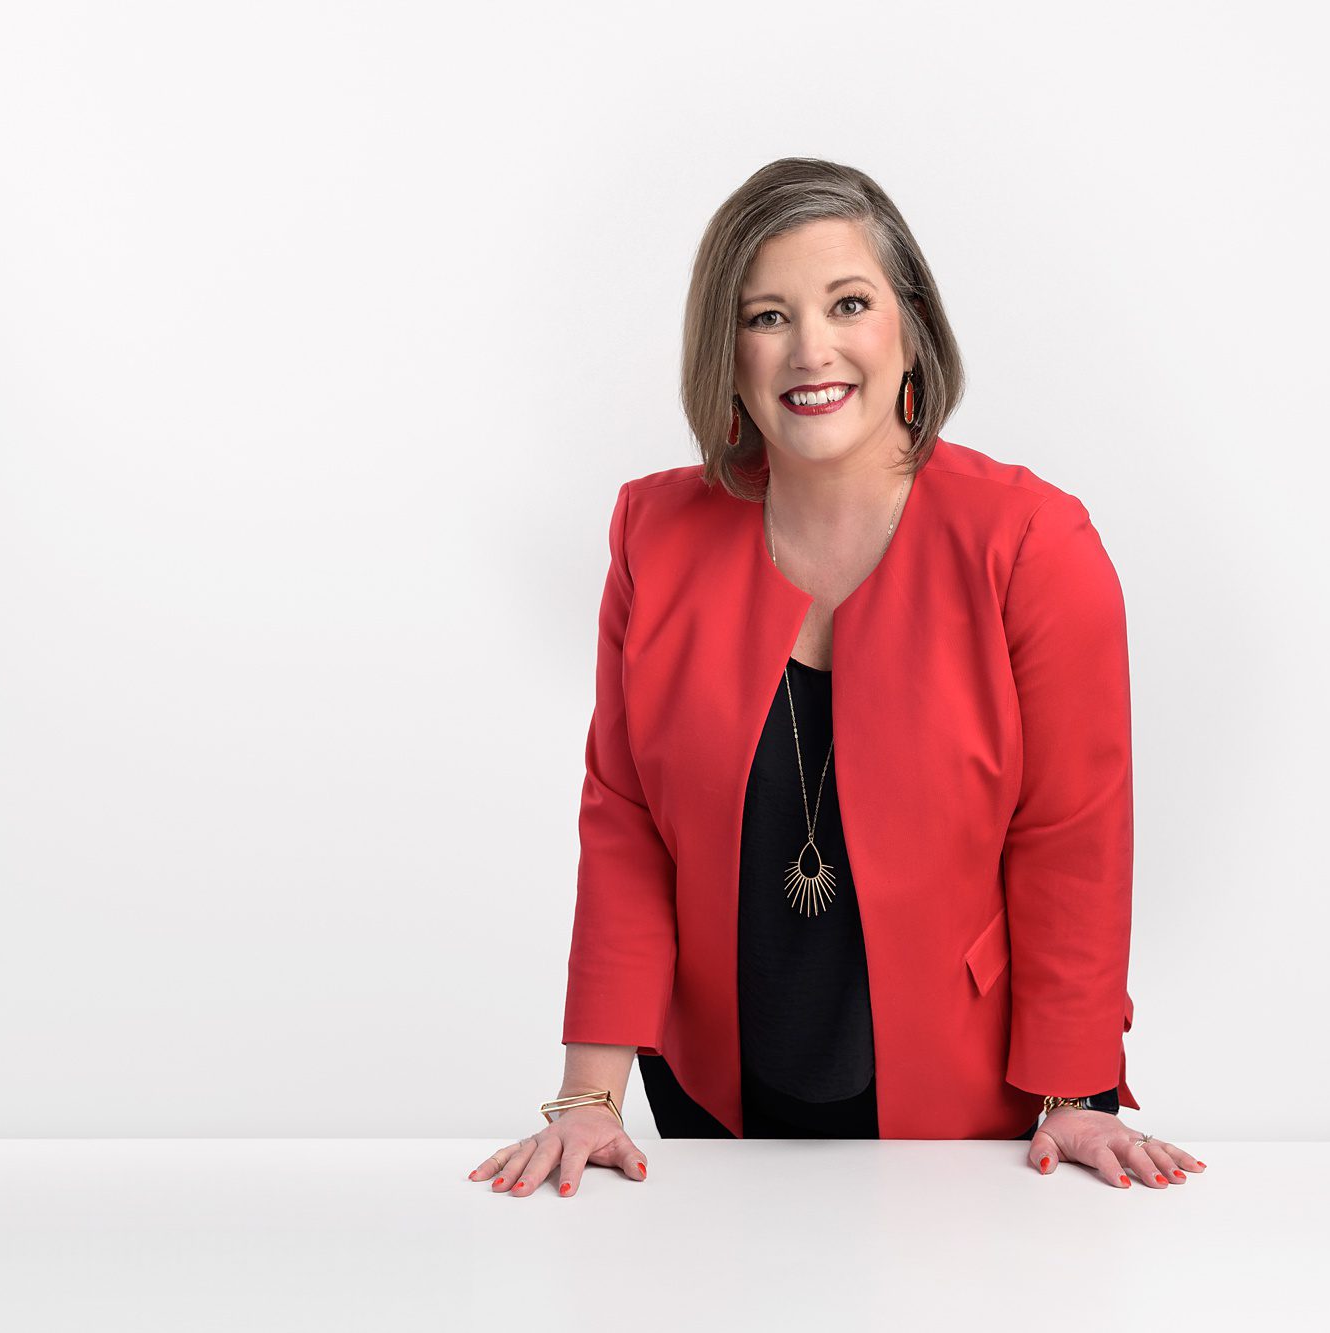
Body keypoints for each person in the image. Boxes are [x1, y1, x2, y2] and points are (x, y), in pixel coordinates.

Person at [469, 158, 1205, 1198]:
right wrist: (589, 1097)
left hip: (958, 1107)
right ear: (725, 354)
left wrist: (1075, 1096)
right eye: (765, 315)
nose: (809, 349)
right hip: (709, 1096)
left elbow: (1071, 839)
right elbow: (626, 816)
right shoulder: (653, 532)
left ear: (908, 324)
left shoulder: (1032, 543)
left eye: (846, 303)